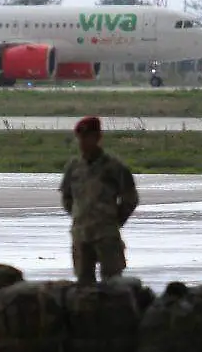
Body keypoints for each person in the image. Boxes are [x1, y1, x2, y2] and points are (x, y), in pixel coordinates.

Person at [58, 116, 139, 284]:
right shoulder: (74, 167)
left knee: (112, 284)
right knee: (83, 285)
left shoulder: (114, 167)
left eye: (87, 137)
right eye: (80, 138)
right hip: (81, 235)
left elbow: (130, 198)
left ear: (97, 137)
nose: (83, 142)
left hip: (106, 234)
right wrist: (79, 215)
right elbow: (67, 197)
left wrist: (114, 220)